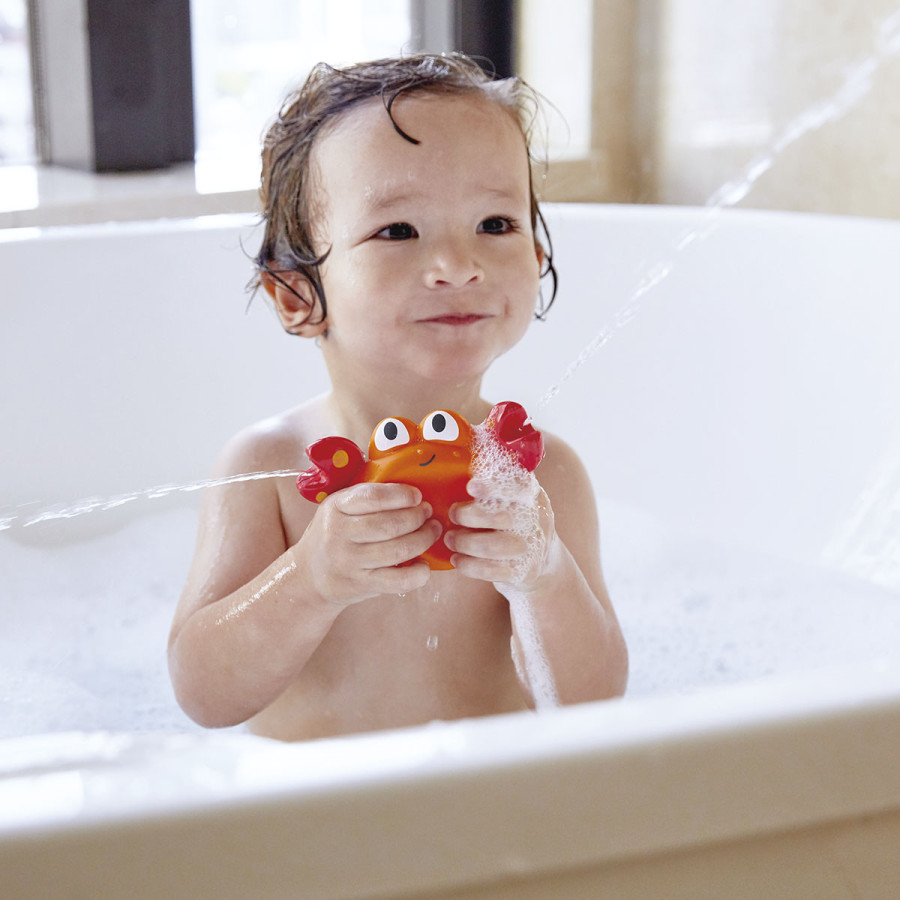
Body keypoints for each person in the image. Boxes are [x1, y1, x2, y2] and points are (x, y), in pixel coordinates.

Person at [168, 54, 628, 741]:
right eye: (398, 231)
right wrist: (311, 578)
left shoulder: (540, 476)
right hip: (311, 814)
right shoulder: (268, 468)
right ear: (297, 294)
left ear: (537, 256)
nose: (458, 266)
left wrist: (544, 573)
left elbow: (592, 705)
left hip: (494, 816)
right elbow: (204, 692)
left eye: (495, 224)